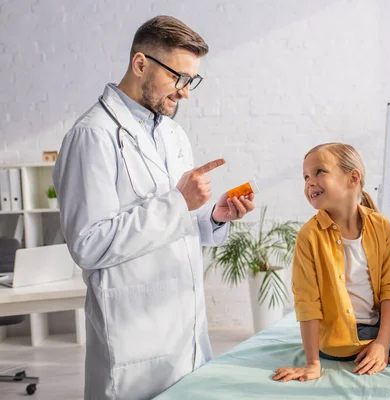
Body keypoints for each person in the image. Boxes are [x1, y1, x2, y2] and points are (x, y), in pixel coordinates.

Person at [53, 16, 255, 400]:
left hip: (183, 326)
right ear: (141, 64)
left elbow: (175, 223)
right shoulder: (91, 136)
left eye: (191, 81)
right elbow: (88, 244)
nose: (186, 92)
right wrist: (179, 202)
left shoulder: (172, 133)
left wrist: (211, 216)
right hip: (134, 336)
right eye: (179, 77)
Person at [272, 143, 390, 399]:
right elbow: (307, 304)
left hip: (374, 324)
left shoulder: (381, 226)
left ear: (352, 178)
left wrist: (382, 342)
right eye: (305, 177)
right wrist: (313, 364)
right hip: (340, 338)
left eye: (319, 172)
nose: (309, 182)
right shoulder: (309, 237)